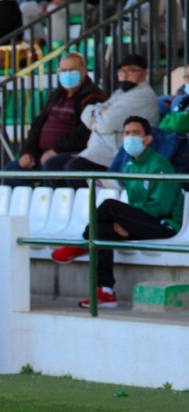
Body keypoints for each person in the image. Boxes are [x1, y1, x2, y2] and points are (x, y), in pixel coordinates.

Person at [51, 116, 183, 308]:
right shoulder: (129, 166)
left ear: (148, 139)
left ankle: (83, 244)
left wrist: (129, 224)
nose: (130, 137)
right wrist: (125, 224)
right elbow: (135, 205)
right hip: (144, 223)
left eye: (136, 133)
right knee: (102, 231)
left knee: (109, 205)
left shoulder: (159, 165)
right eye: (127, 133)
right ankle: (106, 291)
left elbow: (160, 208)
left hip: (165, 225)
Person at [45, 54, 160, 188]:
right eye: (122, 71)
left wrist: (98, 115)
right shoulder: (120, 93)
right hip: (94, 152)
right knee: (53, 165)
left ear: (144, 74)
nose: (125, 74)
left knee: (75, 169)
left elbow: (107, 124)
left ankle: (91, 208)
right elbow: (87, 113)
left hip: (113, 156)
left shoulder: (143, 96)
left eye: (131, 70)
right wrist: (98, 114)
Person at [4, 53, 106, 184]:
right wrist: (27, 152)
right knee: (11, 171)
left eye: (72, 70)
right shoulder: (57, 95)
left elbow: (84, 133)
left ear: (84, 71)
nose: (67, 74)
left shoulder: (93, 98)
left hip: (70, 153)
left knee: (52, 165)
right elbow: (38, 124)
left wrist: (56, 149)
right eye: (63, 70)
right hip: (42, 153)